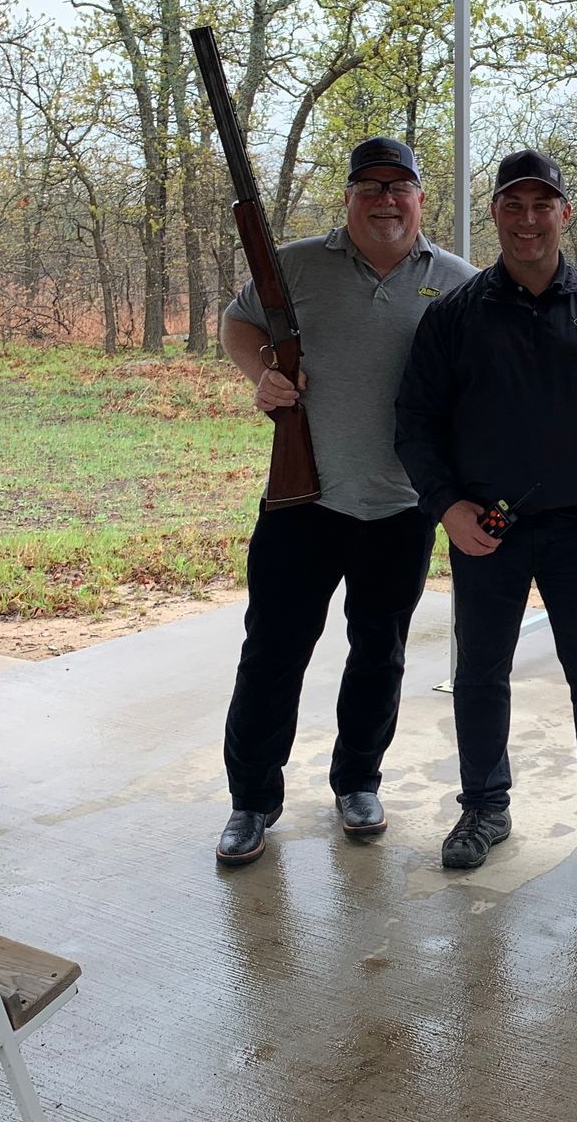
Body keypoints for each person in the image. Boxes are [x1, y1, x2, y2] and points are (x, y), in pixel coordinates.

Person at [394, 148, 577, 895]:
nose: (528, 219)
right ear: (496, 216)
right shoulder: (455, 316)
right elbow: (415, 422)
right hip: (488, 529)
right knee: (480, 675)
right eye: (514, 205)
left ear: (565, 215)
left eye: (542, 205)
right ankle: (483, 809)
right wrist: (445, 505)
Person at [215, 136, 474, 867]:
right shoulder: (296, 265)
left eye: (400, 187)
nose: (385, 199)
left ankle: (358, 782)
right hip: (303, 501)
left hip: (402, 506)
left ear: (421, 198)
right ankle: (251, 802)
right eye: (370, 186)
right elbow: (237, 326)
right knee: (272, 653)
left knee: (380, 653)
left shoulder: (458, 281)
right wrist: (261, 373)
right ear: (350, 196)